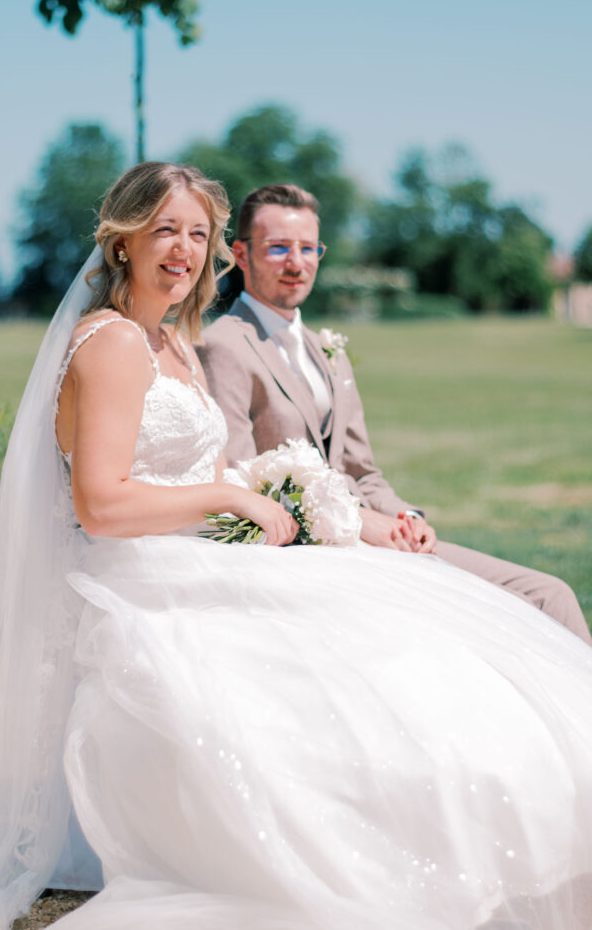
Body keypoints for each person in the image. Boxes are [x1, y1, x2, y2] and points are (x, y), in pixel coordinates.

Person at [0, 162, 591, 930]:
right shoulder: (111, 343)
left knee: (391, 634)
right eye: (165, 229)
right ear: (122, 239)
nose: (184, 249)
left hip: (199, 556)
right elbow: (101, 504)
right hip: (139, 581)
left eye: (197, 233)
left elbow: (208, 474)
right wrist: (231, 499)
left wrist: (322, 509)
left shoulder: (173, 343)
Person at [199, 183, 592, 645]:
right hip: (315, 556)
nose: (296, 262)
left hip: (385, 536)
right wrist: (361, 525)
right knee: (541, 601)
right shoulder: (224, 345)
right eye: (278, 247)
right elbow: (242, 484)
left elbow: (363, 472)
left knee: (549, 595)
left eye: (308, 248)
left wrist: (408, 518)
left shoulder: (326, 349)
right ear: (241, 254)